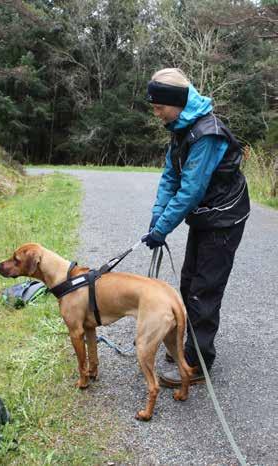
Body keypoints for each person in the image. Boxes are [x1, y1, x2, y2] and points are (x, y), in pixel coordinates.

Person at [141, 68, 250, 387]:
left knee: (204, 289)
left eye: (159, 106)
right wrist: (157, 215)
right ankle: (183, 347)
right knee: (188, 282)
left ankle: (198, 364)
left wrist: (163, 229)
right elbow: (170, 175)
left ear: (176, 101)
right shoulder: (179, 126)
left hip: (224, 217)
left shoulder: (208, 133)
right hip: (205, 214)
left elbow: (191, 189)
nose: (156, 111)